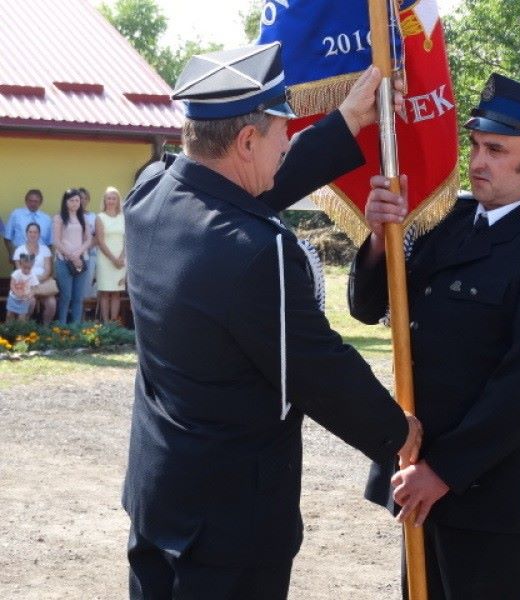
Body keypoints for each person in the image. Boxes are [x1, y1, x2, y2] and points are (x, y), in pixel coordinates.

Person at [122, 43, 421, 600]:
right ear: (246, 140)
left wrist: (347, 120)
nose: (289, 142)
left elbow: (232, 190)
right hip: (230, 532)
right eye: (283, 131)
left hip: (158, 500)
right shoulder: (260, 253)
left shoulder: (150, 193)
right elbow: (319, 371)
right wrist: (398, 431)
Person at [349, 73, 520, 599]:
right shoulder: (452, 221)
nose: (477, 161)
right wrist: (379, 239)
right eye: (474, 146)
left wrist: (442, 470)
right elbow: (370, 307)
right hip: (421, 479)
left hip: (496, 500)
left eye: (495, 149)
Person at [52, 188, 92, 324]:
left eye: (77, 200)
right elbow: (56, 241)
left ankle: (75, 329)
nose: (75, 203)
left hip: (81, 261)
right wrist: (70, 255)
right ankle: (62, 327)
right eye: (72, 200)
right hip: (64, 261)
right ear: (66, 202)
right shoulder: (59, 218)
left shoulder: (83, 218)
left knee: (78, 297)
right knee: (66, 296)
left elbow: (88, 240)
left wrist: (78, 254)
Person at [13, 222, 57, 324]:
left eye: (35, 232)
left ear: (39, 234)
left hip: (43, 283)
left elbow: (48, 270)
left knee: (52, 303)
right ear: (26, 233)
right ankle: (24, 327)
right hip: (26, 285)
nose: (33, 234)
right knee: (30, 301)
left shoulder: (45, 249)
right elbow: (19, 272)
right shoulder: (19, 250)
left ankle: (45, 328)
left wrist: (37, 280)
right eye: (30, 232)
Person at [94, 186, 126, 323]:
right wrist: (113, 259)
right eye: (109, 198)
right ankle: (106, 322)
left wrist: (122, 257)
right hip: (105, 259)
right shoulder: (100, 217)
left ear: (118, 201)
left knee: (116, 292)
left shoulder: (123, 217)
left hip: (121, 259)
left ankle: (113, 322)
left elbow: (127, 239)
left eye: (114, 198)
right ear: (105, 200)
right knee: (105, 292)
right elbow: (100, 241)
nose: (111, 201)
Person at [3, 189, 53, 264]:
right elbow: (7, 237)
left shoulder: (47, 219)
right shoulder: (16, 214)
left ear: (41, 202)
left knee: (40, 275)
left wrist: (48, 259)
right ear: (26, 201)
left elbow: (49, 243)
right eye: (30, 200)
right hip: (21, 256)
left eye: (36, 201)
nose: (33, 203)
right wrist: (12, 254)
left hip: (40, 257)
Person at [5, 253, 39, 322]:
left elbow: (35, 288)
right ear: (21, 265)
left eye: (29, 268)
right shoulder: (16, 273)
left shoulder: (32, 275)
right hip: (13, 298)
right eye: (24, 267)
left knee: (22, 317)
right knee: (9, 315)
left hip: (24, 299)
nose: (26, 270)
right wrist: (16, 292)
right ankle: (8, 329)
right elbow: (12, 284)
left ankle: (20, 330)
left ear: (32, 266)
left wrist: (31, 295)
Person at [78, 187, 98, 301]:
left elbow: (97, 236)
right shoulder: (69, 216)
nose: (83, 201)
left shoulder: (93, 217)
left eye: (86, 198)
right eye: (80, 198)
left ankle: (84, 314)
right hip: (73, 256)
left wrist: (86, 247)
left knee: (86, 284)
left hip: (90, 255)